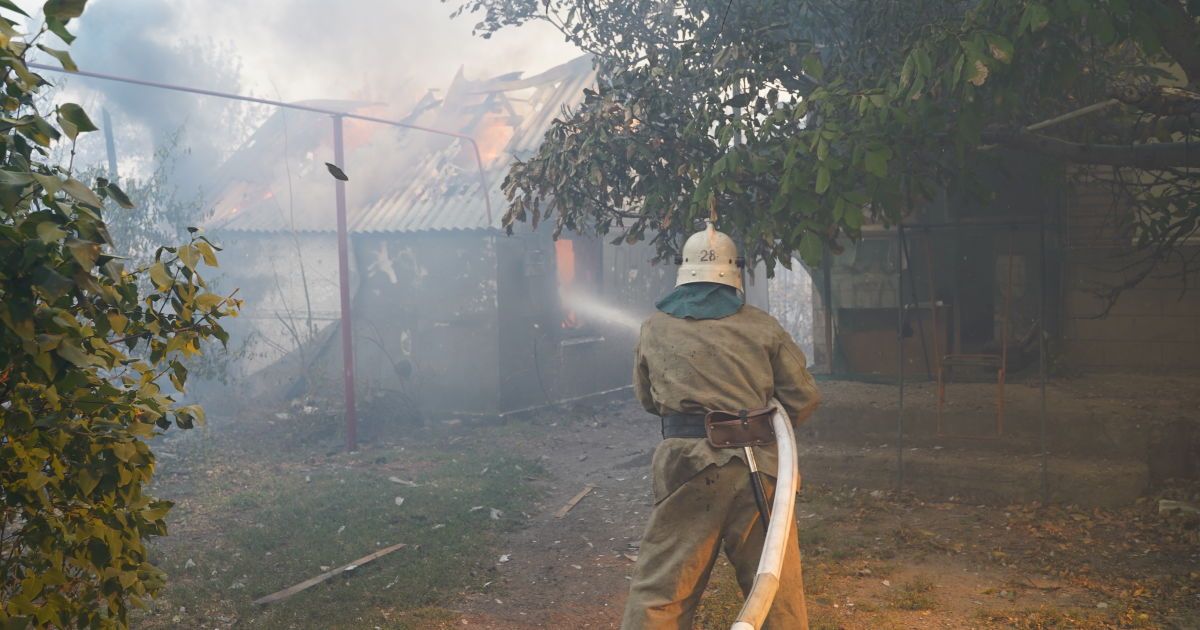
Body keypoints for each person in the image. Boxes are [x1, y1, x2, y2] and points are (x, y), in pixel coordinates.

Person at [620, 221, 821, 630]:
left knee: (663, 589)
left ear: (683, 271)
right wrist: (762, 423)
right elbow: (803, 397)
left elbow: (648, 400)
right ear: (736, 272)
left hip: (687, 468)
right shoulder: (761, 326)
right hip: (760, 471)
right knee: (774, 588)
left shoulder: (654, 327)